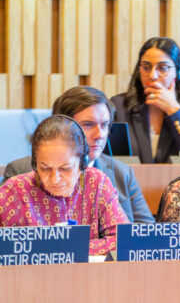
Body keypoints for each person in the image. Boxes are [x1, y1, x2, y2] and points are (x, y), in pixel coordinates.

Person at [2, 86, 154, 224]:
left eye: (104, 125)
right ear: (60, 125)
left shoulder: (123, 173)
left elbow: (146, 234)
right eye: (88, 125)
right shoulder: (19, 172)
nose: (100, 135)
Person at [0, 116, 128, 255]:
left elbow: (125, 240)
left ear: (82, 163)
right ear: (35, 164)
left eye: (65, 168)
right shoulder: (15, 190)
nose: (55, 179)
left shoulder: (97, 183)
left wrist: (66, 248)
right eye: (45, 168)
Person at [112, 37, 180, 163]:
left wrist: (174, 110)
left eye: (162, 68)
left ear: (178, 72)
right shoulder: (119, 107)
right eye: (146, 67)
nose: (152, 76)